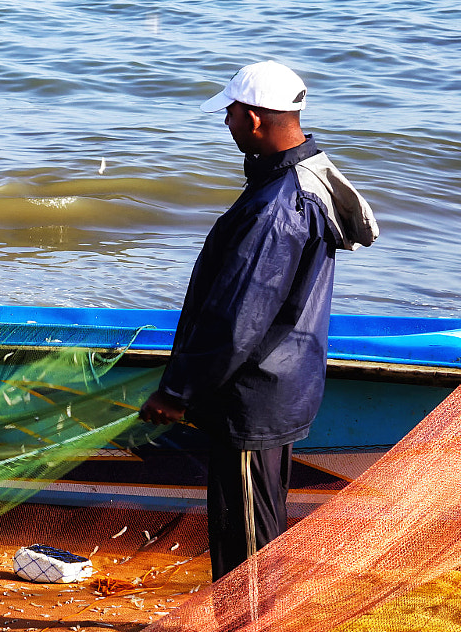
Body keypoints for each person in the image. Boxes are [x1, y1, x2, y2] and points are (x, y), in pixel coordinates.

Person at [139, 61, 378, 582]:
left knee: (246, 530)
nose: (224, 124)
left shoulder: (275, 206)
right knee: (256, 517)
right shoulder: (305, 180)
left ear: (251, 119)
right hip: (281, 380)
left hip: (254, 396)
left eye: (227, 114)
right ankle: (249, 627)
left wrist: (177, 393)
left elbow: (236, 318)